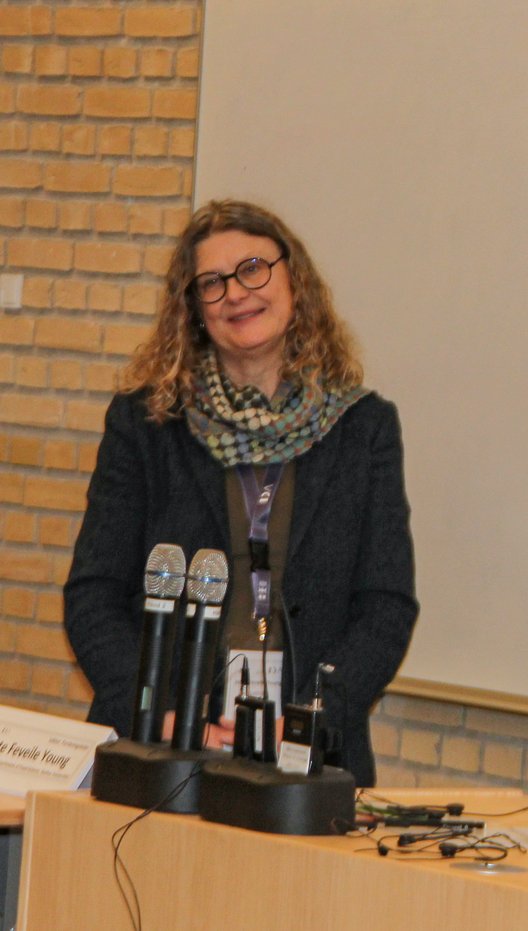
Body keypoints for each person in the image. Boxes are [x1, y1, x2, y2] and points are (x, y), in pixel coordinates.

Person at [64, 199, 418, 787]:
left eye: (253, 268)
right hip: (163, 748)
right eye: (212, 282)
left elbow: (386, 605)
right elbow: (93, 596)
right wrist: (163, 717)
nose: (236, 293)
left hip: (309, 758)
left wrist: (308, 721)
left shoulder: (362, 428)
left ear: (294, 280)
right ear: (193, 310)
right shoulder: (146, 424)